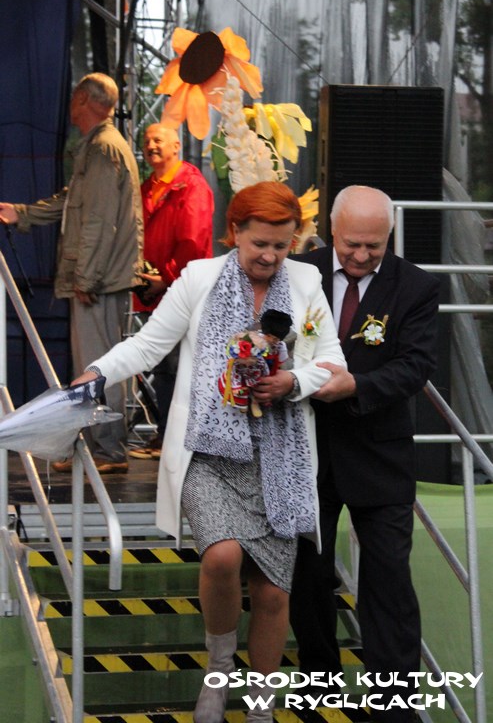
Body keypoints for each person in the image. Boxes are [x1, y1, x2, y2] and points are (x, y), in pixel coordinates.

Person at [70, 181, 347, 722]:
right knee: (221, 556)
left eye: (282, 245)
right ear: (233, 233)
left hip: (280, 460)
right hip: (209, 452)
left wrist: (293, 381)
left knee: (272, 594)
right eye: (259, 243)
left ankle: (261, 707)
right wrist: (98, 372)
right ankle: (218, 673)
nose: (270, 256)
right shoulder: (198, 278)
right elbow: (149, 344)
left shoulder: (307, 281)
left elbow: (332, 361)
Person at [290, 185, 440, 721]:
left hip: (380, 456)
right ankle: (318, 688)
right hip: (307, 453)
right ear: (332, 232)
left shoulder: (416, 286)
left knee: (389, 582)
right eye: (352, 244)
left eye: (374, 247)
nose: (360, 256)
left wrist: (357, 386)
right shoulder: (298, 273)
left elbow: (415, 366)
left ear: (389, 238)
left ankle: (395, 706)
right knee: (308, 576)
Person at [0, 72, 143, 474]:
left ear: (83, 99)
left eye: (74, 98)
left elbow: (99, 220)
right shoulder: (98, 146)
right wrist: (23, 213)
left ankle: (110, 450)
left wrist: (87, 276)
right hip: (101, 275)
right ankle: (101, 447)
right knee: (95, 361)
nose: (70, 106)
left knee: (101, 364)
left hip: (100, 279)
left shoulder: (104, 148)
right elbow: (74, 202)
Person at [128, 123, 214, 460]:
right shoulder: (146, 187)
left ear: (177, 146)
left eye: (158, 140)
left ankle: (179, 439)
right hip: (155, 292)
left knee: (179, 368)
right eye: (147, 140)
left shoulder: (192, 186)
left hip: (182, 291)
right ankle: (166, 436)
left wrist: (167, 277)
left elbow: (193, 240)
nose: (151, 145)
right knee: (164, 368)